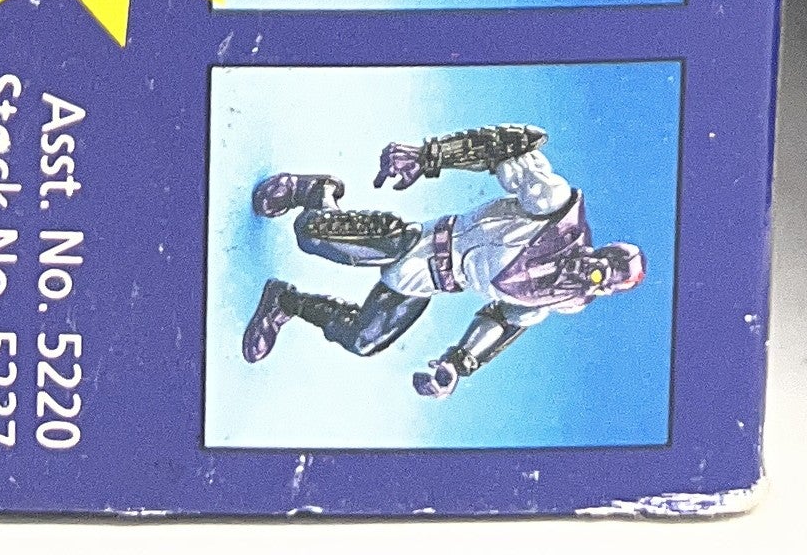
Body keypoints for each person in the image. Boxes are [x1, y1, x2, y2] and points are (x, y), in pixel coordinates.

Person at [241, 123, 645, 394]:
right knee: (311, 234)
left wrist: (458, 363)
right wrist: (427, 156)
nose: (593, 275)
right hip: (416, 243)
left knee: (364, 340)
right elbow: (506, 151)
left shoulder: (560, 299)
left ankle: (284, 302)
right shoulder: (555, 209)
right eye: (603, 266)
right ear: (600, 250)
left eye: (603, 282)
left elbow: (504, 320)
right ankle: (313, 192)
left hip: (428, 284)